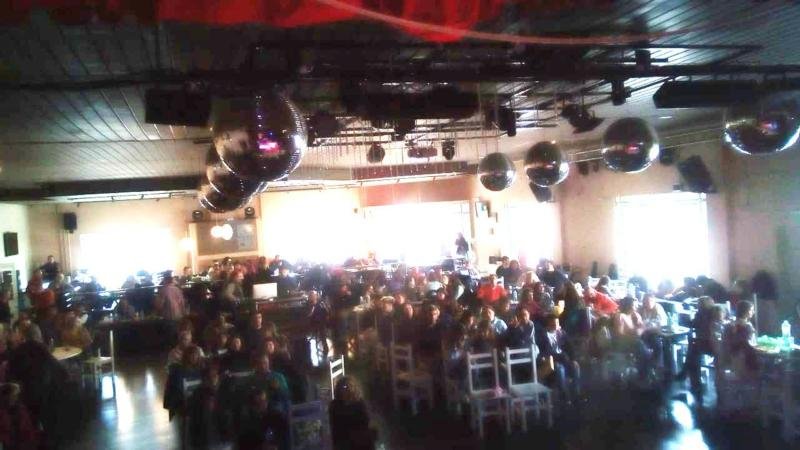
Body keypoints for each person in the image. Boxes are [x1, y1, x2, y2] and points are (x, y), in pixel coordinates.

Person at [536, 315, 581, 403]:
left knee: (575, 366)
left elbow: (570, 347)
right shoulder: (542, 335)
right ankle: (564, 396)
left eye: (557, 322)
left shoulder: (561, 333)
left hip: (564, 360)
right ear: (548, 324)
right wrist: (560, 356)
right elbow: (544, 352)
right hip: (551, 362)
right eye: (553, 323)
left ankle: (576, 394)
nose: (556, 325)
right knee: (560, 368)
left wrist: (573, 359)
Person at [329, 377, 376, 450]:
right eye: (344, 387)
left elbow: (366, 423)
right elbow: (335, 428)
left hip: (361, 442)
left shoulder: (360, 404)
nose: (348, 389)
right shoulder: (335, 406)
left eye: (351, 386)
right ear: (339, 389)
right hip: (344, 442)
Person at [721, 300, 758, 378]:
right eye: (751, 310)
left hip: (730, 356)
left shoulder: (729, 325)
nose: (753, 312)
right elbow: (750, 342)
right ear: (746, 312)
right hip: (742, 356)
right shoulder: (746, 326)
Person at [0, 382, 39, 450]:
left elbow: (28, 432)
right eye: (12, 396)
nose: (14, 398)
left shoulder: (21, 410)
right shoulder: (2, 411)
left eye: (15, 396)